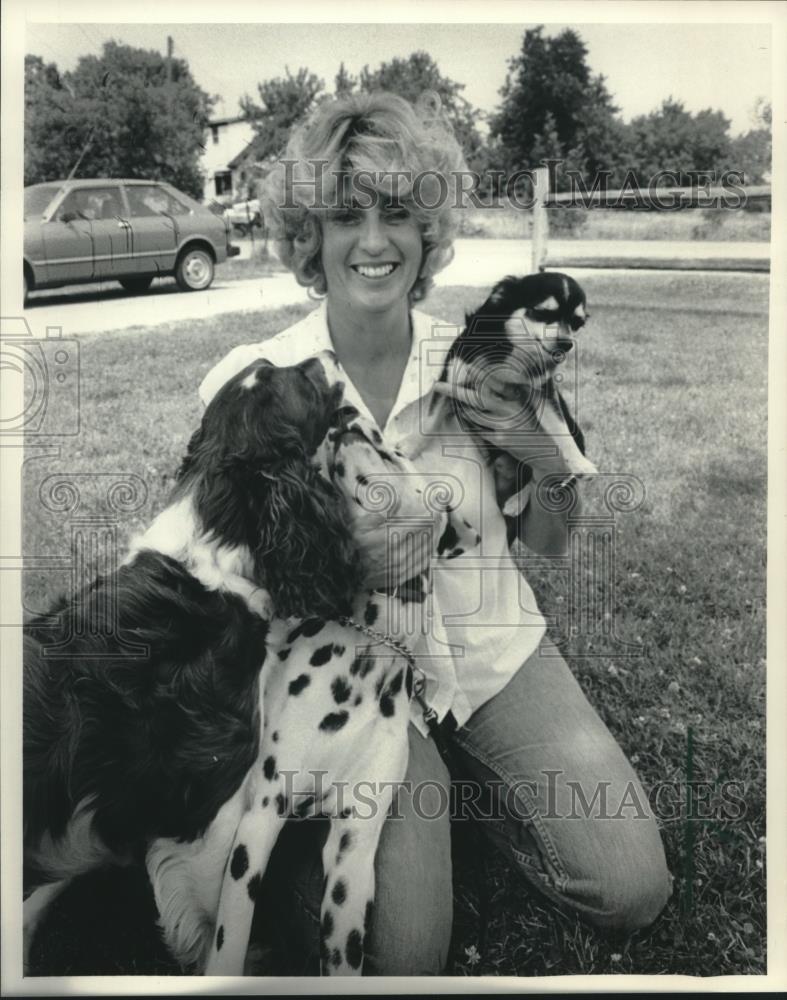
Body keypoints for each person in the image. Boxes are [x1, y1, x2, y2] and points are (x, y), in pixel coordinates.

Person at [199, 91, 672, 976]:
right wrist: (342, 560)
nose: (372, 241)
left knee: (630, 888)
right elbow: (221, 577)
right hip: (356, 684)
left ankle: (468, 802)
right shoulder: (259, 385)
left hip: (493, 655)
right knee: (403, 953)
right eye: (345, 215)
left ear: (428, 233)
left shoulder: (483, 360)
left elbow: (553, 540)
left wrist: (542, 455)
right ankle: (324, 836)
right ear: (308, 236)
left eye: (397, 215)